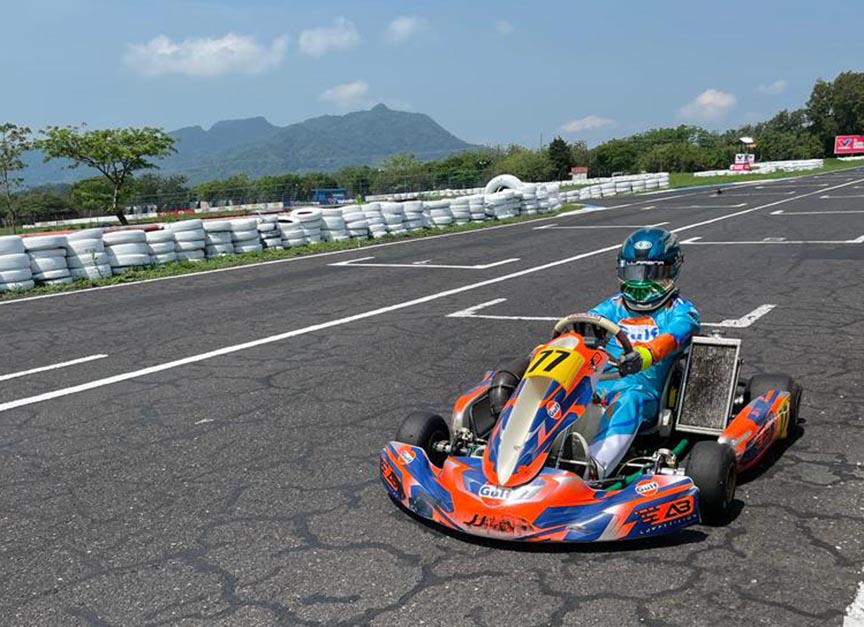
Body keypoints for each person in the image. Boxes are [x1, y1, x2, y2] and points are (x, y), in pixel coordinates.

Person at [489, 227, 700, 479]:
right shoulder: (613, 306)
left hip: (642, 391)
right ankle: (516, 453)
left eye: (651, 273)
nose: (641, 282)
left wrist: (645, 355)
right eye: (633, 272)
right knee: (555, 390)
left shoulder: (681, 312)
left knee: (629, 400)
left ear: (670, 271)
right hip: (598, 384)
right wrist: (546, 351)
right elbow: (583, 326)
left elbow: (673, 337)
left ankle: (592, 467)